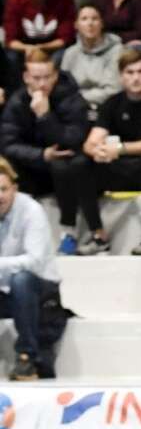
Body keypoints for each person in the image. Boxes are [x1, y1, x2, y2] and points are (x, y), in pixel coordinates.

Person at [0, 49, 100, 255]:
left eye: (47, 77)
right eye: (36, 78)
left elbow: (75, 138)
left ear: (55, 75)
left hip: (67, 166)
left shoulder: (70, 97)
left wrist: (45, 116)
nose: (42, 84)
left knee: (68, 164)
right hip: (32, 168)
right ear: (26, 77)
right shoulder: (17, 102)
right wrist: (41, 155)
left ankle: (70, 232)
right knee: (7, 167)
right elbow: (8, 144)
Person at [86, 48, 141, 253]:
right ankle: (98, 234)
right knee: (81, 163)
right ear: (121, 77)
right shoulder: (112, 103)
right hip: (122, 169)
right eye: (130, 72)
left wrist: (120, 149)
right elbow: (90, 143)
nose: (136, 78)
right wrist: (97, 151)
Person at [0, 157, 66, 379]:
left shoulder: (31, 211)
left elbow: (34, 262)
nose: (0, 196)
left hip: (40, 289)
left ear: (14, 188)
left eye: (3, 189)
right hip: (5, 289)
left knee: (21, 279)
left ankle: (26, 356)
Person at [3, 0, 75, 86]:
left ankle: (55, 90)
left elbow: (65, 38)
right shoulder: (15, 0)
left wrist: (41, 48)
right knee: (10, 57)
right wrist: (29, 49)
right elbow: (10, 40)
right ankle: (18, 91)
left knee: (65, 54)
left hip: (53, 46)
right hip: (24, 47)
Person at [60, 4, 121, 117]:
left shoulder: (117, 51)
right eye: (84, 19)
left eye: (94, 19)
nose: (90, 23)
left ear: (102, 23)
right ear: (76, 25)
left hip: (107, 107)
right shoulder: (70, 53)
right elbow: (64, 88)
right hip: (75, 109)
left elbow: (113, 90)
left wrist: (79, 98)